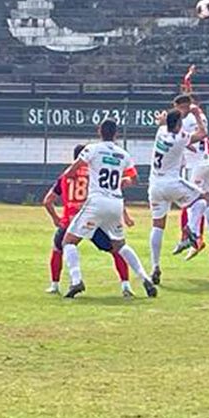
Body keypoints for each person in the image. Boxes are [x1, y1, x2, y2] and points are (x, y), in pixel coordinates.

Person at [60, 119, 156, 299]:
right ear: (116, 134)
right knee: (120, 245)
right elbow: (135, 179)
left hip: (96, 202)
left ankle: (76, 280)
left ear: (99, 131)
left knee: (68, 242)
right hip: (116, 203)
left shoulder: (92, 149)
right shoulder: (123, 154)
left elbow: (71, 171)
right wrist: (122, 182)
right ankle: (145, 278)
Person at [44, 144, 137, 297]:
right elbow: (111, 195)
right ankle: (126, 285)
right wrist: (125, 216)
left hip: (71, 220)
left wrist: (56, 218)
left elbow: (48, 200)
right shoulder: (93, 174)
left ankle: (55, 285)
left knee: (58, 248)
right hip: (94, 218)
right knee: (116, 249)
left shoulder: (65, 176)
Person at [147, 107, 209, 284]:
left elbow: (162, 123)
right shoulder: (180, 138)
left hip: (155, 185)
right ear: (179, 124)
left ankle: (155, 266)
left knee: (157, 226)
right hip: (172, 183)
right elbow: (203, 133)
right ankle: (190, 228)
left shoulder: (160, 132)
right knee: (202, 199)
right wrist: (197, 115)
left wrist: (162, 119)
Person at [172, 83, 209, 260]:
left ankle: (193, 236)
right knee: (205, 202)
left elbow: (185, 140)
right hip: (206, 162)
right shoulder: (201, 117)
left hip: (196, 165)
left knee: (193, 203)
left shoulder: (187, 120)